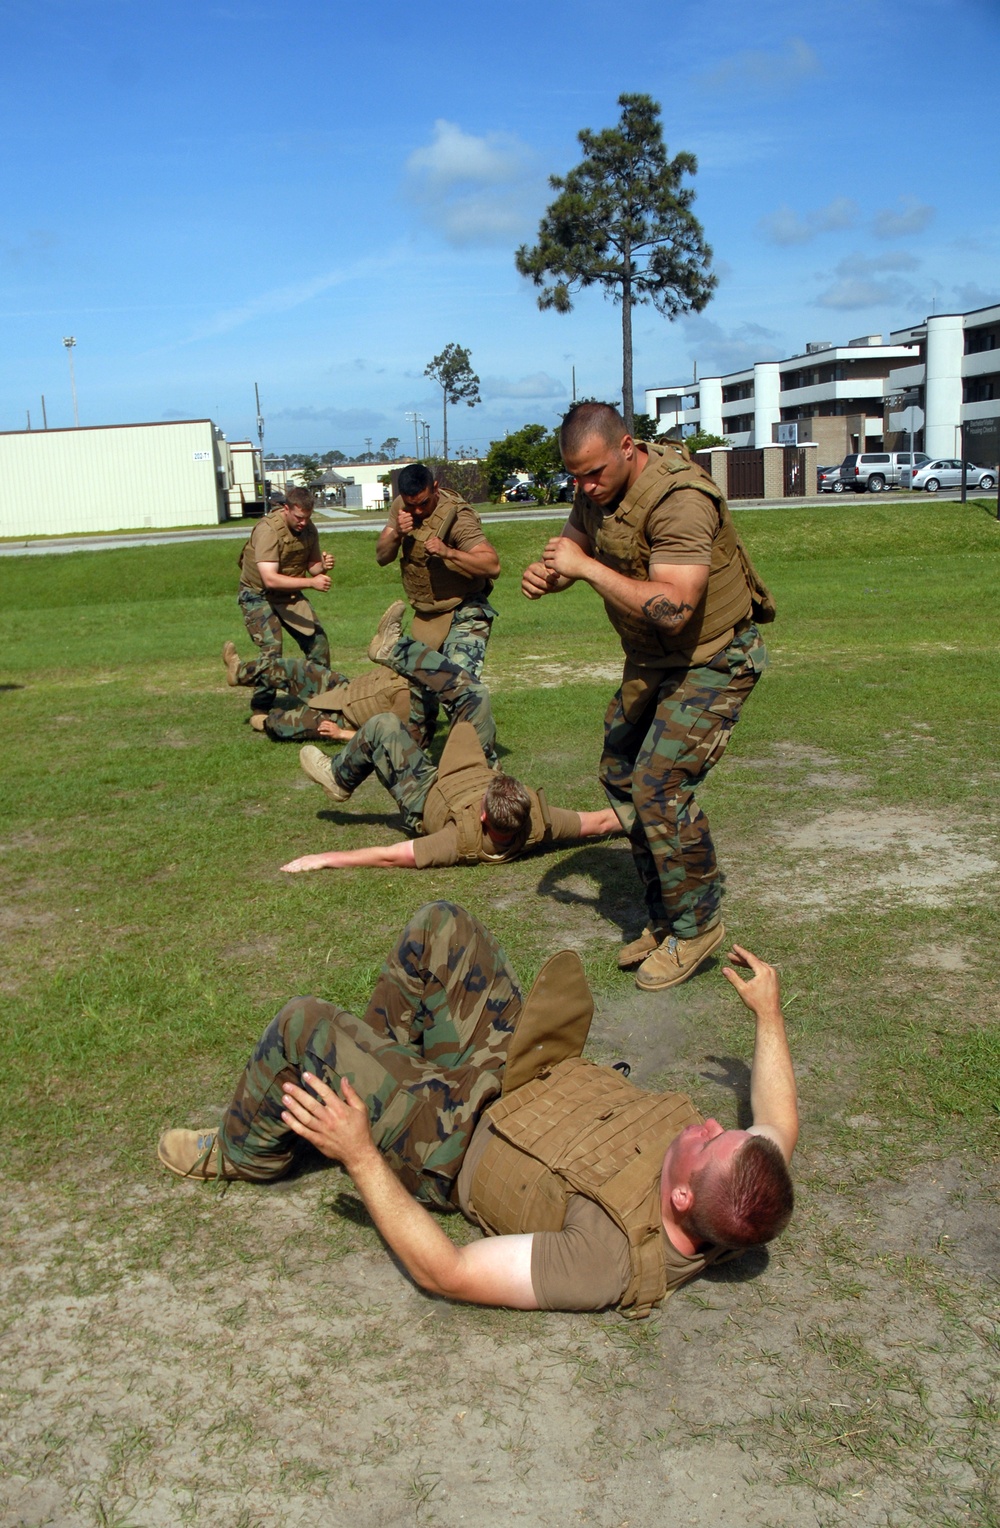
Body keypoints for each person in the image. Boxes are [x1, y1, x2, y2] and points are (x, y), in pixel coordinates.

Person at [157, 902, 797, 1316]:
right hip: (523, 1067)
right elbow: (780, 1123)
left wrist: (358, 1153)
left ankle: (247, 1155)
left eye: (710, 1141)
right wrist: (769, 1015)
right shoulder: (744, 1193)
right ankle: (378, 1071)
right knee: (443, 927)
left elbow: (449, 1272)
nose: (711, 1123)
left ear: (683, 1198)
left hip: (450, 1135)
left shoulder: (607, 1259)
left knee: (303, 1027)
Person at [521, 402, 775, 993]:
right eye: (574, 477)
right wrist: (552, 575)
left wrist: (583, 569)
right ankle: (666, 914)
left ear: (627, 447)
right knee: (619, 770)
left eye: (593, 474)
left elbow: (676, 605)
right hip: (654, 660)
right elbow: (575, 547)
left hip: (713, 655)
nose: (583, 488)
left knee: (659, 782)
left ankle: (698, 924)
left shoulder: (681, 501)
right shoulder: (597, 491)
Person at [290, 716, 619, 872]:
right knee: (475, 718)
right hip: (470, 774)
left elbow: (389, 855)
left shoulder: (457, 840)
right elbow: (602, 823)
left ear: (483, 814)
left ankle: (338, 776)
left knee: (384, 725)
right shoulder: (538, 823)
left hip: (428, 792)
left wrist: (323, 859)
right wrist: (656, 815)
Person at [376, 462, 500, 747]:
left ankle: (479, 765)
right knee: (420, 694)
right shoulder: (401, 508)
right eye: (411, 504)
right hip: (428, 615)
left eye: (422, 503)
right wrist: (396, 533)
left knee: (459, 686)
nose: (417, 511)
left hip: (465, 609)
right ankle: (417, 762)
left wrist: (448, 552)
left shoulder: (458, 517)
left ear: (435, 487)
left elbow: (492, 565)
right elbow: (381, 556)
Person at [220, 601, 411, 742]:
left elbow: (388, 739)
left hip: (344, 719)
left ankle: (263, 722)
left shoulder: (411, 703)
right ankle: (239, 673)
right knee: (291, 668)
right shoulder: (410, 668)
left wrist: (342, 733)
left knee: (286, 724)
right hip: (344, 688)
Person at [238, 486, 335, 710]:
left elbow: (313, 567)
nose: (303, 523)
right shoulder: (268, 531)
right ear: (286, 508)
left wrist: (323, 566)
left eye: (307, 518)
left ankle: (320, 698)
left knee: (318, 642)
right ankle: (261, 707)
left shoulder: (309, 530)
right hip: (257, 594)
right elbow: (270, 579)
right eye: (299, 517)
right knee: (272, 649)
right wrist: (312, 583)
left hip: (288, 594)